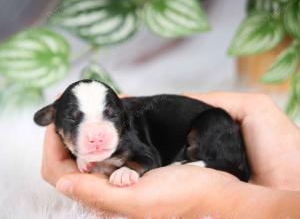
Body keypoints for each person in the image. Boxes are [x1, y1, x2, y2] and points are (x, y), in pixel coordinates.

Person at [41, 93, 300, 218]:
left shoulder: (131, 131)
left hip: (210, 129)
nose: (95, 135)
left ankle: (213, 163)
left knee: (215, 122)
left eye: (108, 116)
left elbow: (145, 156)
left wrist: (213, 196)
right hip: (179, 151)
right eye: (75, 122)